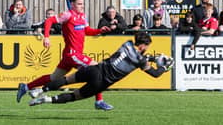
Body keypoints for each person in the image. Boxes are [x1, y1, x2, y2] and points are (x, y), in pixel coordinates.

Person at [17, 0, 113, 110]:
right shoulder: (67, 15)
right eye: (79, 4)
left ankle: (26, 87)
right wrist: (46, 37)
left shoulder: (82, 16)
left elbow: (87, 31)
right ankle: (99, 101)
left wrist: (99, 31)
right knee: (97, 69)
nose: (82, 6)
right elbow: (49, 21)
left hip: (70, 55)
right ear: (72, 4)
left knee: (53, 78)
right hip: (73, 54)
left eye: (83, 4)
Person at [28, 32, 174, 108]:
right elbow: (154, 74)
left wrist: (153, 58)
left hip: (95, 70)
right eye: (147, 46)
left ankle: (40, 90)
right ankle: (45, 100)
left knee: (66, 79)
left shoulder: (127, 44)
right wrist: (164, 67)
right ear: (144, 45)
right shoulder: (140, 60)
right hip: (101, 82)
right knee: (74, 96)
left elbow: (137, 57)